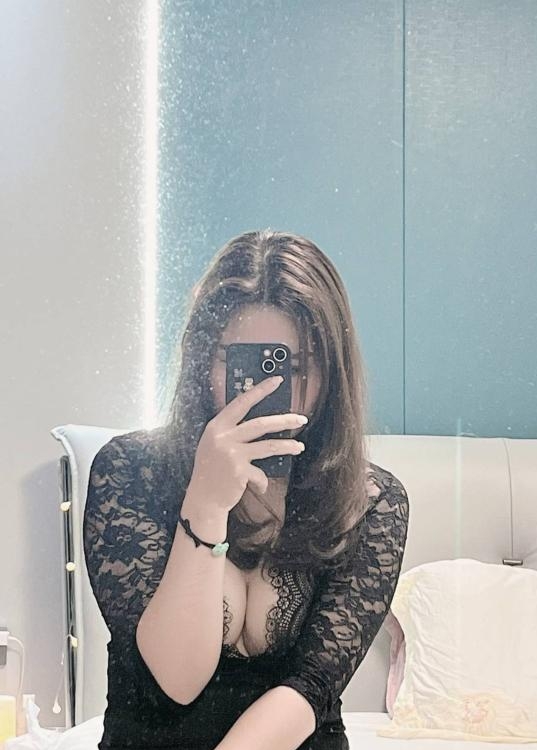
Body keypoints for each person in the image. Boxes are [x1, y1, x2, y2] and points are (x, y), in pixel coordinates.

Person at [83, 229, 410, 750]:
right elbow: (175, 681)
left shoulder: (368, 501)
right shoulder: (129, 470)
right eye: (242, 362)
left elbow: (310, 690)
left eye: (294, 366)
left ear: (332, 369)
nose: (267, 388)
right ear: (203, 361)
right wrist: (207, 502)